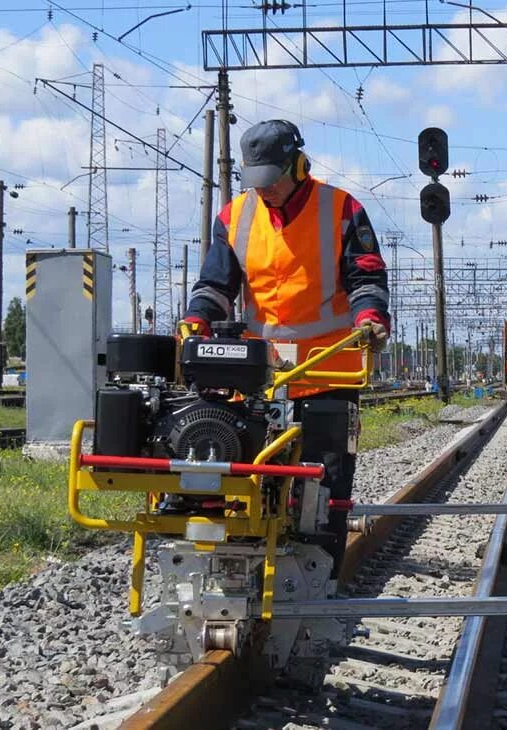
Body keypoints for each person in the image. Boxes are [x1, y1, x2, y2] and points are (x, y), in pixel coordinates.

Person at [181, 119, 390, 579]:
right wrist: (196, 319)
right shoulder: (235, 217)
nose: (267, 191)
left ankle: (322, 574)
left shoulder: (341, 209)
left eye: (273, 181)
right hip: (259, 379)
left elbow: (366, 277)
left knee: (325, 480)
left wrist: (370, 319)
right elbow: (216, 285)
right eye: (258, 182)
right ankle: (244, 567)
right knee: (245, 475)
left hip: (328, 373)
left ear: (298, 165)